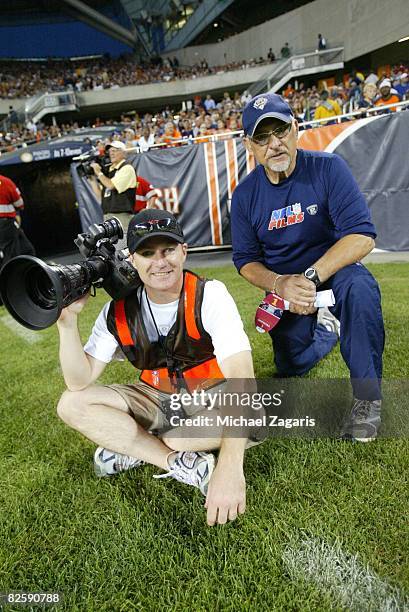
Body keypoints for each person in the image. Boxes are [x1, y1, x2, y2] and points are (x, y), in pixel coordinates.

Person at [56, 209, 256, 526]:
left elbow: (243, 378)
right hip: (157, 396)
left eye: (168, 250)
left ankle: (130, 443)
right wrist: (67, 324)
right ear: (132, 260)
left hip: (215, 397)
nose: (159, 262)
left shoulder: (210, 295)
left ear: (184, 251)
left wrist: (231, 467)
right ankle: (175, 462)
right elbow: (79, 381)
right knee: (71, 403)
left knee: (178, 434)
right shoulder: (116, 311)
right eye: (147, 253)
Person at [230, 93, 384, 442]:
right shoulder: (244, 196)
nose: (274, 144)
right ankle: (327, 331)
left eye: (280, 131)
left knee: (359, 289)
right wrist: (280, 283)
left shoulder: (329, 168)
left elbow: (362, 237)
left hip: (332, 274)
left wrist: (311, 278)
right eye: (262, 138)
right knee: (292, 365)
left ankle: (367, 399)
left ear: (295, 129)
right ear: (249, 146)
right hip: (286, 292)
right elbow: (245, 261)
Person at [90, 140, 137, 247]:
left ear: (124, 153)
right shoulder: (109, 171)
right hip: (107, 217)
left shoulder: (126, 168)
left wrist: (99, 173)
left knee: (122, 252)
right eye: (110, 151)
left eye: (115, 150)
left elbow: (111, 185)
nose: (111, 153)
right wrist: (92, 178)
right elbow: (100, 195)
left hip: (121, 217)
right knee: (112, 254)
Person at [0, 174, 35, 275]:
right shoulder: (4, 181)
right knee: (10, 254)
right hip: (5, 223)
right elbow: (19, 203)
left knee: (26, 248)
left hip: (8, 225)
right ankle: (8, 282)